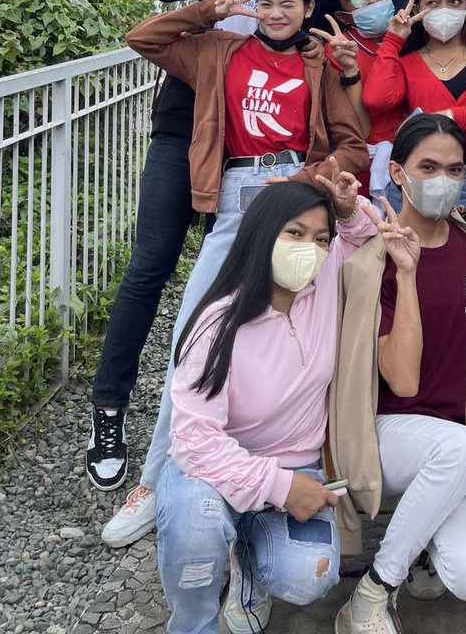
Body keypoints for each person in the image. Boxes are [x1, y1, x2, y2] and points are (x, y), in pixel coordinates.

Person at [100, 0, 367, 548]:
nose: (274, 13)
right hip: (234, 202)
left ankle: (266, 479)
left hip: (296, 201)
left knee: (298, 336)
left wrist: (310, 175)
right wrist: (212, 9)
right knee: (191, 339)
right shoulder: (218, 50)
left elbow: (353, 145)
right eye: (265, 2)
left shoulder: (318, 63)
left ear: (306, 10)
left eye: (288, 5)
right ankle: (153, 481)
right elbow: (142, 37)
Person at [86, 0, 331, 498]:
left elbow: (328, 86)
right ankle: (111, 414)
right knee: (153, 269)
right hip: (188, 131)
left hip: (267, 161)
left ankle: (251, 436)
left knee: (277, 292)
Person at [158, 172, 376, 634]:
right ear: (261, 234)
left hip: (297, 466)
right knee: (195, 529)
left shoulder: (324, 286)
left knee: (310, 576)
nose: (309, 249)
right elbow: (194, 441)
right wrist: (278, 487)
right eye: (293, 233)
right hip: (213, 473)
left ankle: (248, 563)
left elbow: (366, 234)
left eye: (320, 239)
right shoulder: (218, 323)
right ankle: (194, 624)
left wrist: (346, 208)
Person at [329, 114, 466, 634]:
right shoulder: (371, 260)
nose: (441, 180)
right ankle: (374, 591)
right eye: (428, 167)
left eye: (454, 169)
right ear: (399, 173)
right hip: (385, 432)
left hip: (452, 439)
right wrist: (406, 272)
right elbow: (402, 381)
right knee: (458, 452)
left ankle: (421, 539)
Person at [363, 0, 466, 232]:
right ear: (418, 8)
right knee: (410, 260)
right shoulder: (407, 61)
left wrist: (454, 116)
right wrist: (393, 40)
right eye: (433, 2)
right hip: (417, 176)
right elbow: (376, 99)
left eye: (454, 2)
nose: (444, 9)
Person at [312, 0, 406, 204]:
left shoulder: (409, 35)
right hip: (364, 168)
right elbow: (360, 130)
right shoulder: (337, 52)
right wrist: (350, 69)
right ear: (343, 16)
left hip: (410, 161)